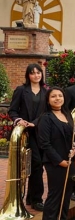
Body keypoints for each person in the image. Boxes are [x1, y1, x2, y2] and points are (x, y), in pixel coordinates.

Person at [38, 87, 75, 220]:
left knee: (66, 196)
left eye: (60, 96)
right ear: (48, 100)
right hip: (55, 163)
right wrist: (59, 161)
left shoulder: (67, 115)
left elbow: (72, 138)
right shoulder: (46, 118)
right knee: (55, 196)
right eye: (53, 96)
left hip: (69, 161)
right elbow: (44, 144)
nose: (57, 98)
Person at [8, 63, 47, 211]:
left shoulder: (46, 91)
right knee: (36, 164)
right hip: (25, 133)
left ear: (41, 75)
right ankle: (37, 199)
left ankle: (31, 197)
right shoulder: (21, 90)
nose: (36, 75)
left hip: (40, 132)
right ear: (28, 75)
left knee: (38, 166)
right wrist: (19, 120)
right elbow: (12, 111)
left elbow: (46, 113)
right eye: (33, 73)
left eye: (38, 73)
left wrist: (35, 123)